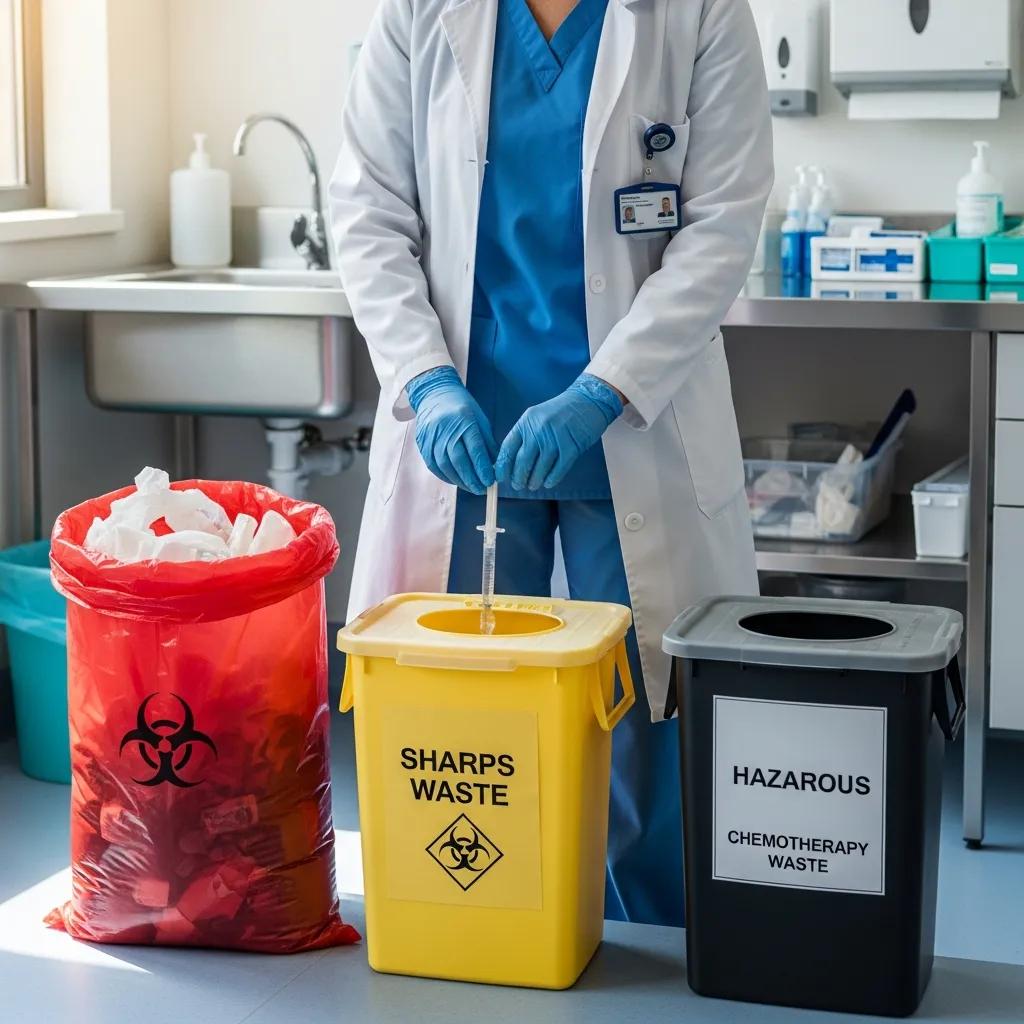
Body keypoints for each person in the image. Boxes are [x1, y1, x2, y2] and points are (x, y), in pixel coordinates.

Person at [330, 0, 773, 927]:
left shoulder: (697, 12)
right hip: (467, 440)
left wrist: (604, 389)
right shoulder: (420, 11)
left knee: (647, 724)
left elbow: (722, 225)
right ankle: (482, 937)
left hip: (634, 424)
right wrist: (426, 382)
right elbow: (368, 212)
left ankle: (653, 946)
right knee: (466, 727)